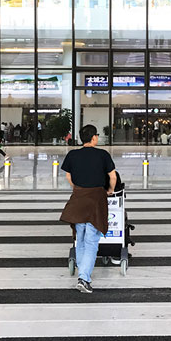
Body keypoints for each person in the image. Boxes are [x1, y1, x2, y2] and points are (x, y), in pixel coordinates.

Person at [59, 124, 117, 294]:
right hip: (95, 200)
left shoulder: (72, 155)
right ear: (94, 138)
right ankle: (84, 278)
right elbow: (112, 176)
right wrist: (110, 190)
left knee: (81, 237)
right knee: (91, 241)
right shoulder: (102, 155)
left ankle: (82, 270)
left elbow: (68, 176)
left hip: (78, 199)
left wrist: (77, 187)